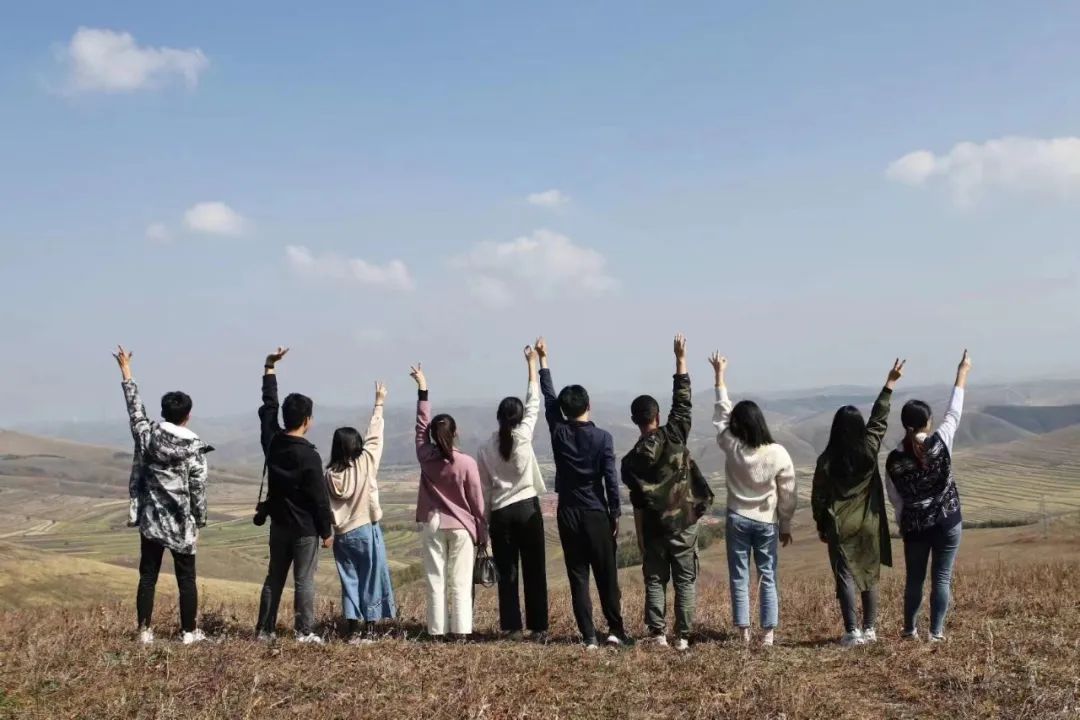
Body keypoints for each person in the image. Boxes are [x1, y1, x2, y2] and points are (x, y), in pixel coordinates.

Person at [536, 337, 632, 650]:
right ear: (589, 405)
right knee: (606, 575)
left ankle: (589, 635)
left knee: (578, 576)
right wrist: (615, 513)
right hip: (595, 513)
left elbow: (549, 399)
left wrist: (543, 361)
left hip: (568, 513)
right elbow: (610, 479)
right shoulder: (603, 438)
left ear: (564, 411)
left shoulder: (559, 432)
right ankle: (615, 630)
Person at [621, 334, 713, 652]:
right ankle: (683, 636)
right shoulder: (674, 434)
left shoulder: (629, 463)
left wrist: (641, 538)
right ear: (657, 416)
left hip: (654, 528)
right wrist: (680, 359)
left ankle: (658, 634)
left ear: (635, 421)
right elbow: (683, 402)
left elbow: (637, 504)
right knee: (685, 579)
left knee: (655, 579)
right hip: (684, 522)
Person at [114, 346, 211, 646]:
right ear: (188, 416)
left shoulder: (148, 436)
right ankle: (188, 633)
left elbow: (135, 411)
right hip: (181, 522)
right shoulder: (194, 448)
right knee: (187, 579)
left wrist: (126, 372)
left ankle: (144, 631)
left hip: (152, 520)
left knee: (148, 576)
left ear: (164, 413)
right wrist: (199, 520)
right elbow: (198, 487)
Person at [812, 359, 904, 648]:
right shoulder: (869, 450)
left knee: (845, 577)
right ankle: (870, 629)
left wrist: (821, 525)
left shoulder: (826, 460)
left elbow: (819, 497)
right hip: (868, 524)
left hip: (840, 526)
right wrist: (889, 384)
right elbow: (878, 420)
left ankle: (852, 632)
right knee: (869, 575)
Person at [711, 353, 796, 647]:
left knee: (739, 575)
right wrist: (785, 524)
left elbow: (721, 416)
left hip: (737, 517)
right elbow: (788, 492)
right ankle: (768, 633)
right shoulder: (778, 453)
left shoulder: (732, 446)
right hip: (766, 521)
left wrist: (719, 376)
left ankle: (744, 632)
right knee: (767, 575)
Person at [886, 350, 972, 643]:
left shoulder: (894, 459)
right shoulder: (941, 441)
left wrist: (904, 523)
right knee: (942, 578)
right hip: (947, 521)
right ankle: (936, 633)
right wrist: (962, 372)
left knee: (914, 579)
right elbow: (954, 411)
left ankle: (910, 630)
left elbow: (896, 498)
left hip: (915, 526)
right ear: (928, 422)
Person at [254, 347, 334, 644]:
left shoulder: (273, 443)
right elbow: (319, 498)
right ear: (307, 420)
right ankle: (304, 631)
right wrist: (326, 531)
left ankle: (264, 630)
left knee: (274, 578)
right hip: (305, 528)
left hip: (279, 524)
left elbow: (268, 408)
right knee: (304, 581)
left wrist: (269, 368)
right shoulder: (309, 456)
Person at [476, 345, 549, 641]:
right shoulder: (523, 436)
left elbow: (484, 490)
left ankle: (511, 627)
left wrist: (483, 524)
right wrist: (532, 363)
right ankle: (538, 627)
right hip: (527, 508)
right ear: (518, 418)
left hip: (501, 514)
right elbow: (534, 401)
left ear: (498, 418)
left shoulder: (484, 448)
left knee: (507, 573)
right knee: (534, 570)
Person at [411, 362, 488, 640]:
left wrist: (423, 390)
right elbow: (477, 503)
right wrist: (483, 532)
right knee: (460, 580)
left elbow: (421, 426)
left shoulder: (425, 456)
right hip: (461, 527)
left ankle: (436, 631)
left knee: (436, 579)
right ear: (456, 433)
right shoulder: (466, 463)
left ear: (432, 435)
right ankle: (461, 631)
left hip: (432, 523)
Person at [325, 381, 397, 645]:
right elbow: (374, 436)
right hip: (366, 530)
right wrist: (379, 402)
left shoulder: (329, 474)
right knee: (370, 578)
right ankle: (370, 627)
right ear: (356, 445)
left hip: (342, 535)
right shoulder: (364, 463)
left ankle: (352, 628)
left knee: (350, 581)